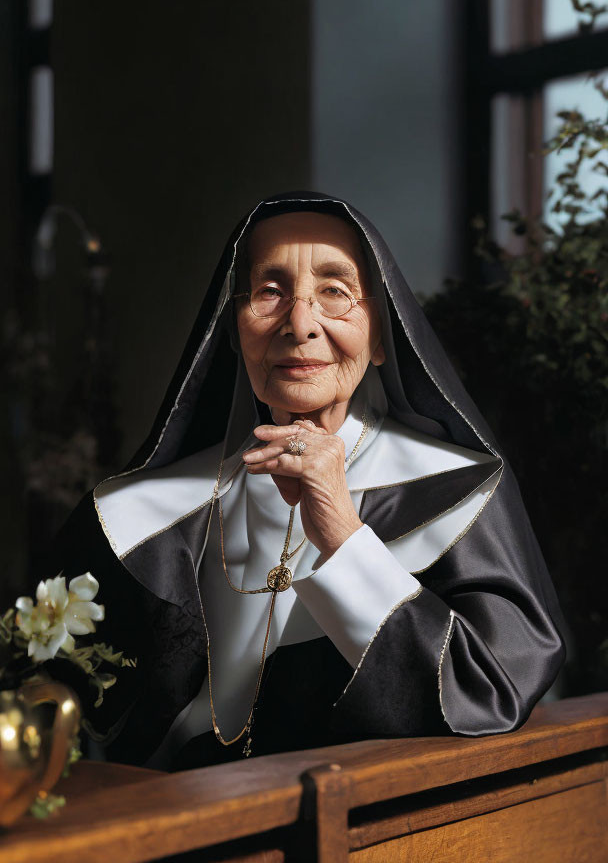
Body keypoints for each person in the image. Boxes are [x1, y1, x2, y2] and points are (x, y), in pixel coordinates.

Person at [50, 191, 566, 771]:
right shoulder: (134, 515)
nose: (300, 324)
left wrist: (344, 535)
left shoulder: (460, 492)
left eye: (335, 292)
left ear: (380, 335)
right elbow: (43, 702)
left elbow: (489, 693)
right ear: (233, 329)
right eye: (269, 292)